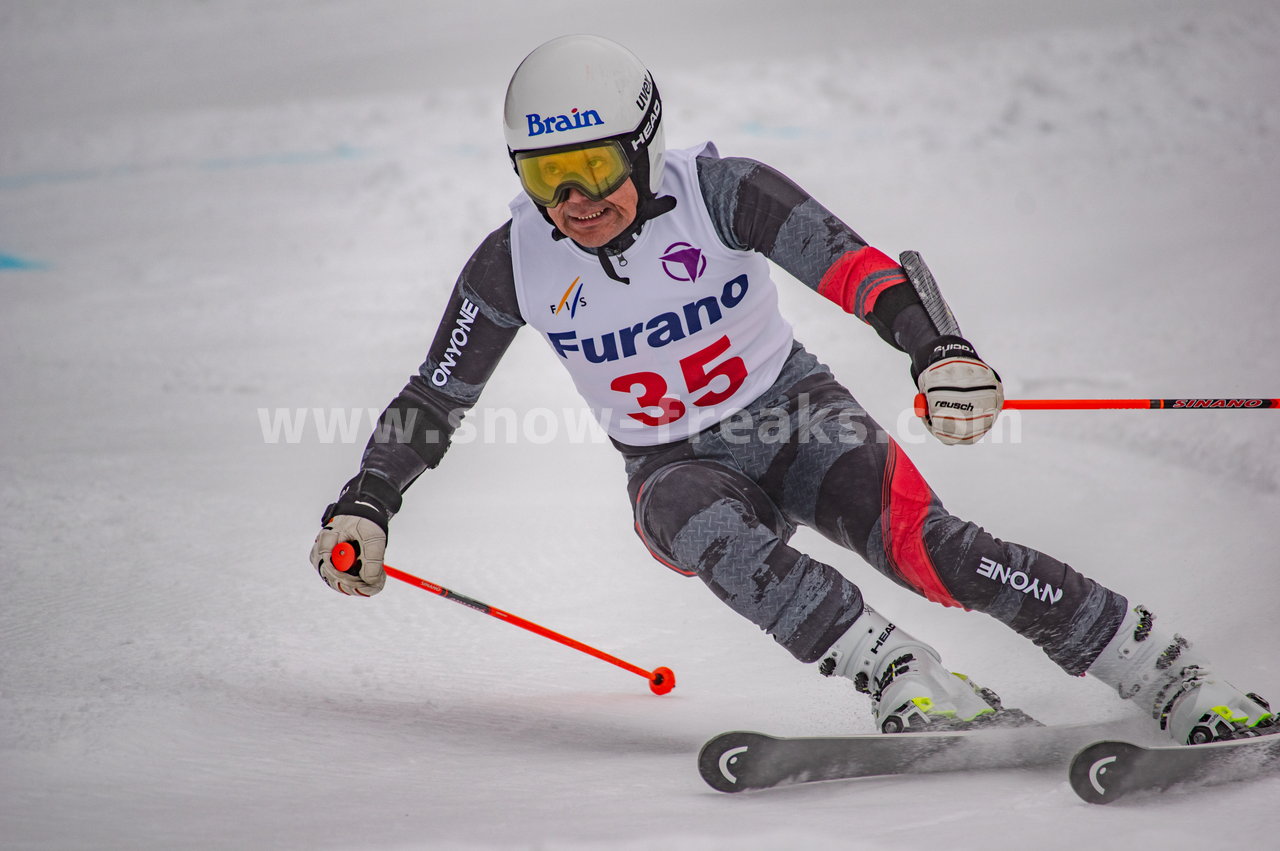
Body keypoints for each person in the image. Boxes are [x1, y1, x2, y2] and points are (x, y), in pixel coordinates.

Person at [310, 34, 1274, 744]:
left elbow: (855, 269)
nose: (577, 203)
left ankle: (1169, 673)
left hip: (796, 415)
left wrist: (938, 351)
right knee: (687, 514)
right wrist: (367, 503)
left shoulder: (723, 191)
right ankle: (906, 676)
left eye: (596, 168)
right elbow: (433, 398)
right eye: (548, 177)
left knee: (933, 555)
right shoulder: (512, 263)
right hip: (671, 459)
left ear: (641, 148)